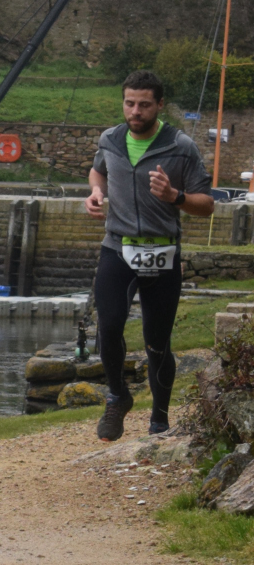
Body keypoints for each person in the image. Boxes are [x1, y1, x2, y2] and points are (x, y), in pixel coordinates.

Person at [85, 71, 213, 440]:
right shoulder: (110, 139)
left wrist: (175, 196)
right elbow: (97, 172)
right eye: (129, 103)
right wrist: (96, 193)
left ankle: (159, 420)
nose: (135, 111)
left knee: (157, 342)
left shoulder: (181, 146)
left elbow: (206, 205)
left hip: (162, 251)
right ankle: (118, 397)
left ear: (159, 105)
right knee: (109, 326)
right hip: (117, 247)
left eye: (144, 104)